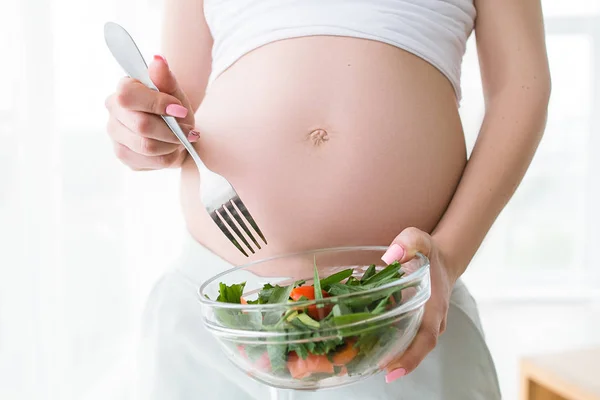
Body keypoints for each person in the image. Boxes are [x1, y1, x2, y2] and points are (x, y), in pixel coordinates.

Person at [105, 0, 550, 398]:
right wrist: (147, 130)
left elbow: (522, 87)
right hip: (219, 325)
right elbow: (181, 112)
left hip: (397, 315)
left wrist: (447, 262)